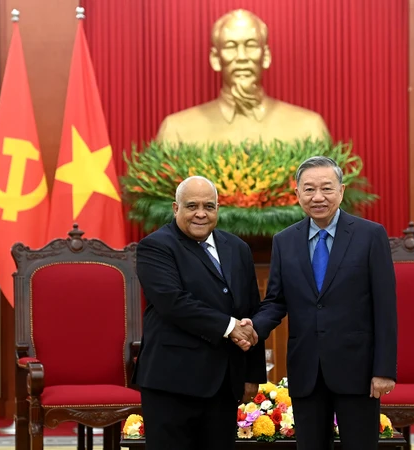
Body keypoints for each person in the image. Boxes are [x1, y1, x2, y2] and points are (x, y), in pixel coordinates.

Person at [242, 156, 398, 450]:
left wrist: (384, 369)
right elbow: (276, 301)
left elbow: (385, 307)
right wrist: (253, 326)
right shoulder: (284, 241)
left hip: (359, 372)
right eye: (309, 189)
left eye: (326, 188)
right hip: (306, 370)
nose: (318, 197)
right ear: (297, 193)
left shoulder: (370, 235)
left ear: (341, 191)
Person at [132, 175, 266, 450]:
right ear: (175, 208)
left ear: (218, 209)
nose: (201, 214)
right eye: (192, 206)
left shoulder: (237, 248)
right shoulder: (156, 246)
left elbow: (251, 308)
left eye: (209, 206)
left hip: (224, 384)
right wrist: (230, 327)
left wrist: (253, 374)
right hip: (172, 382)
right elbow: (173, 301)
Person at [155, 9, 329, 146]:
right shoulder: (177, 131)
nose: (242, 56)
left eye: (251, 45)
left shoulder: (309, 129)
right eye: (230, 46)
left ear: (266, 55)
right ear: (215, 59)